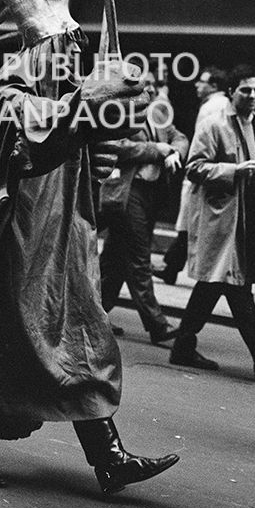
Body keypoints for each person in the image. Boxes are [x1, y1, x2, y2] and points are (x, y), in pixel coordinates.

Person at [0, 0, 180, 497]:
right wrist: (88, 105)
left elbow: (80, 132)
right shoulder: (16, 73)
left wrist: (102, 130)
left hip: (65, 230)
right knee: (4, 336)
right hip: (20, 231)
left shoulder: (64, 71)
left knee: (84, 329)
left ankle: (108, 457)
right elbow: (21, 128)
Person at [168, 64, 255, 380]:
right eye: (246, 90)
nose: (254, 96)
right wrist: (234, 171)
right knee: (236, 285)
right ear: (231, 91)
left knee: (215, 285)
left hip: (246, 216)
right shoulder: (214, 124)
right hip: (221, 218)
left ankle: (184, 345)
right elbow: (195, 168)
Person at [99, 66, 188, 345]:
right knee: (139, 257)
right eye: (143, 85)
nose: (149, 90)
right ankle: (157, 324)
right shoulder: (119, 112)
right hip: (127, 192)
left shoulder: (159, 112)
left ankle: (93, 315)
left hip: (151, 193)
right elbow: (115, 145)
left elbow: (180, 137)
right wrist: (156, 151)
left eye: (152, 85)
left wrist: (174, 151)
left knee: (114, 260)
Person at [157, 65, 229, 285]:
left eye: (202, 81)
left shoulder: (212, 107)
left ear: (214, 85)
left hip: (203, 174)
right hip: (209, 174)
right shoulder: (219, 104)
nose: (197, 84)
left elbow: (203, 141)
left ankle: (173, 266)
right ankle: (172, 266)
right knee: (188, 225)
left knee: (189, 224)